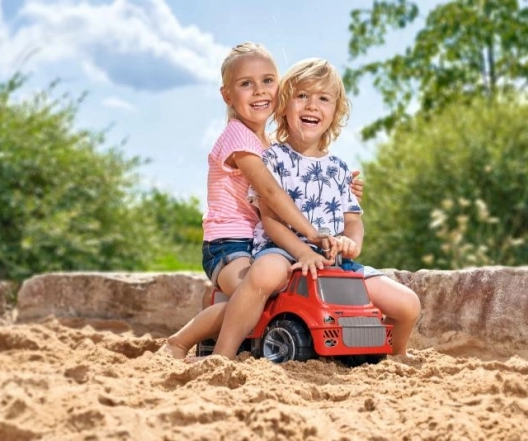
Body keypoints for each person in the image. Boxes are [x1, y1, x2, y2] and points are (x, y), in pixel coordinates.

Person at [158, 43, 362, 359]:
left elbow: (296, 181)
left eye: (267, 80)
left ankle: (221, 322)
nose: (259, 91)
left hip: (254, 240)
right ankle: (181, 342)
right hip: (228, 244)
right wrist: (311, 234)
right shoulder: (238, 138)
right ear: (227, 95)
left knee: (263, 294)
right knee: (251, 295)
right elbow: (271, 193)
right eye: (246, 84)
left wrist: (339, 186)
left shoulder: (266, 143)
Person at [211, 57, 421, 359]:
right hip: (281, 250)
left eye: (323, 98)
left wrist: (352, 243)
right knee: (265, 274)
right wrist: (303, 251)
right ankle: (223, 355)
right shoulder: (271, 159)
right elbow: (271, 220)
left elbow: (353, 221)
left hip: (332, 261)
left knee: (408, 304)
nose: (312, 105)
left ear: (335, 112)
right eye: (302, 96)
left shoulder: (339, 168)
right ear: (283, 105)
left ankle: (396, 356)